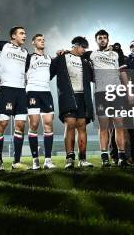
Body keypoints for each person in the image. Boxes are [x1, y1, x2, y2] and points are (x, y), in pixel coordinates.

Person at [83, 30, 129, 167]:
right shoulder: (90, 54)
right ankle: (105, 157)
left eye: (104, 38)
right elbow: (75, 52)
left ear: (108, 40)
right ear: (96, 40)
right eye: (100, 38)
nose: (102, 40)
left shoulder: (116, 53)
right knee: (103, 126)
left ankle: (121, 157)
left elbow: (123, 73)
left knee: (119, 125)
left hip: (116, 93)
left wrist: (129, 91)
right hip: (100, 93)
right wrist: (64, 51)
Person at [51, 37, 94, 169]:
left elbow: (93, 77)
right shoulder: (61, 57)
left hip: (83, 96)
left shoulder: (86, 60)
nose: (84, 50)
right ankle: (69, 158)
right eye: (82, 47)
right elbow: (49, 73)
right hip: (68, 96)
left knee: (82, 126)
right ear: (75, 45)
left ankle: (83, 159)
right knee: (70, 124)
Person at [0, 27, 29, 171]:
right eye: (21, 33)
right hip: (7, 89)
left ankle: (16, 162)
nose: (24, 35)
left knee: (20, 125)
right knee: (2, 123)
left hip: (21, 91)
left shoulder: (26, 52)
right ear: (13, 36)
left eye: (25, 33)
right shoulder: (3, 45)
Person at [25, 34, 56, 170]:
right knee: (34, 123)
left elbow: (52, 73)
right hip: (32, 91)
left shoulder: (49, 58)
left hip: (46, 92)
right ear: (33, 43)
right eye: (39, 40)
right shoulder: (29, 57)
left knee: (48, 124)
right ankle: (35, 159)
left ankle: (48, 160)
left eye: (43, 40)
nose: (42, 41)